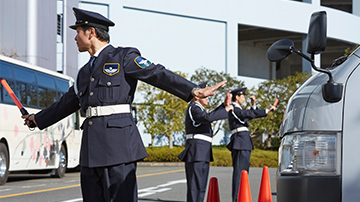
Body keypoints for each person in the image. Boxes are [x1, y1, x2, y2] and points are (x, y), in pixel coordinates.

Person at [22, 7, 227, 202]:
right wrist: (37, 119)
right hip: (91, 151)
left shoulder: (123, 57)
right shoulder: (84, 73)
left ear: (91, 32)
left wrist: (192, 90)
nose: (75, 37)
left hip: (118, 146)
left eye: (78, 32)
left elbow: (156, 73)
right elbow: (67, 103)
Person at [178, 81, 233, 202]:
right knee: (195, 187)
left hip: (202, 151)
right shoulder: (194, 107)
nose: (208, 97)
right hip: (196, 151)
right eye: (206, 94)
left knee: (201, 187)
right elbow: (207, 118)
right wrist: (226, 110)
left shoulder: (199, 108)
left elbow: (208, 116)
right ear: (197, 96)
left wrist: (223, 106)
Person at [226, 87, 276, 202]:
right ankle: (237, 199)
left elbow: (247, 116)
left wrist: (253, 105)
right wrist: (267, 111)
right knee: (240, 173)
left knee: (244, 173)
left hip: (243, 142)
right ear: (237, 97)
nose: (244, 98)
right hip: (240, 142)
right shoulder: (233, 108)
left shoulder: (238, 109)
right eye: (243, 96)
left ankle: (241, 198)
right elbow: (246, 114)